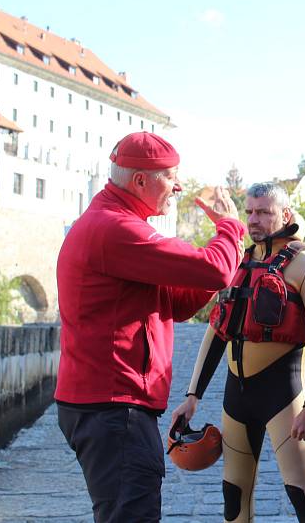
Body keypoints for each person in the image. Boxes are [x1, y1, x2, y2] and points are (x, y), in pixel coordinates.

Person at [55, 131, 246, 522]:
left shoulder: (117, 222)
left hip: (108, 405)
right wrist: (229, 228)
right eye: (170, 176)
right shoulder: (117, 229)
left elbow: (174, 303)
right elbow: (215, 267)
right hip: (113, 407)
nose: (178, 185)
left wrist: (214, 276)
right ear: (140, 180)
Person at [171, 182, 305, 523]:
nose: (254, 219)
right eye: (249, 212)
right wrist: (192, 396)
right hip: (237, 398)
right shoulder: (239, 264)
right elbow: (216, 332)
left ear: (285, 215)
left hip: (284, 397)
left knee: (301, 492)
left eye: (263, 212)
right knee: (234, 494)